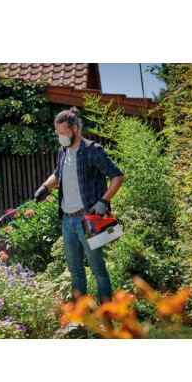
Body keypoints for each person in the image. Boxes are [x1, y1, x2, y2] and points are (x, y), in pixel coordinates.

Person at [34, 107, 124, 304]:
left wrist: (103, 201)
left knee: (98, 270)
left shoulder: (93, 150)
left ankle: (106, 313)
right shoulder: (63, 151)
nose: (61, 137)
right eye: (58, 133)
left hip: (87, 219)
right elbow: (58, 174)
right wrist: (45, 187)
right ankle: (80, 315)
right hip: (68, 220)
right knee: (75, 271)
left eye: (64, 132)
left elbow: (118, 176)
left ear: (75, 128)